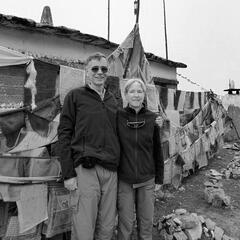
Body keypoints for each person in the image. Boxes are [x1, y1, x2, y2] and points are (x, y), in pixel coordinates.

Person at [58, 52, 120, 240]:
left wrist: (154, 122)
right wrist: (68, 174)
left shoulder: (113, 100)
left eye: (103, 69)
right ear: (86, 71)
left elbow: (122, 132)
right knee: (84, 226)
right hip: (86, 169)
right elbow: (64, 134)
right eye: (95, 68)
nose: (99, 72)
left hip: (111, 170)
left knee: (107, 226)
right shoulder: (75, 96)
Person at [116, 78, 164, 240]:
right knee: (125, 223)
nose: (136, 95)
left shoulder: (152, 119)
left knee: (146, 222)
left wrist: (159, 178)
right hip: (124, 179)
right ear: (126, 95)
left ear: (144, 95)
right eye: (132, 91)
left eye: (139, 91)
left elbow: (158, 149)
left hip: (147, 179)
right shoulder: (118, 116)